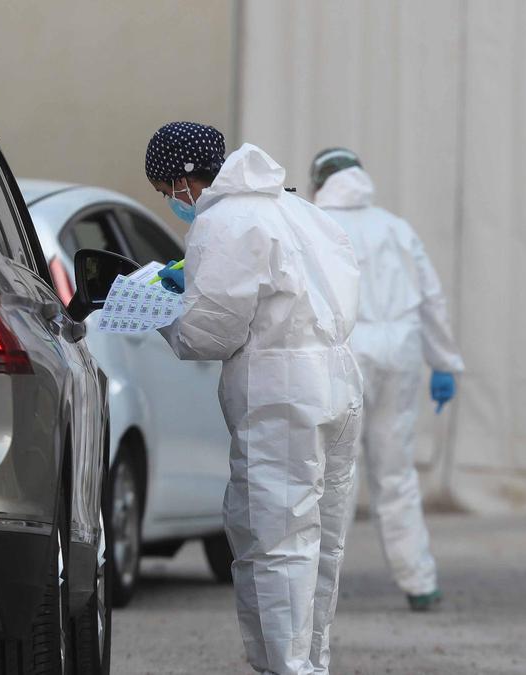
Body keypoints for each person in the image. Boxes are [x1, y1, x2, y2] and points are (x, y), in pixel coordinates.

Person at [146, 122, 364, 675]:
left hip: (281, 393)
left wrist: (158, 309)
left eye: (165, 190)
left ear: (180, 179)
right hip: (337, 380)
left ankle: (284, 670)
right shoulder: (296, 210)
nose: (171, 202)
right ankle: (311, 664)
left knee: (275, 542)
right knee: (320, 545)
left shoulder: (224, 220)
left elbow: (209, 334)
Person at [310, 148, 464, 611]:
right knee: (396, 473)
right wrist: (444, 363)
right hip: (400, 353)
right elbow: (430, 299)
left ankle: (314, 590)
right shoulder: (396, 227)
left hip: (343, 353)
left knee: (330, 476)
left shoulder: (311, 224)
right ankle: (419, 582)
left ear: (319, 180)